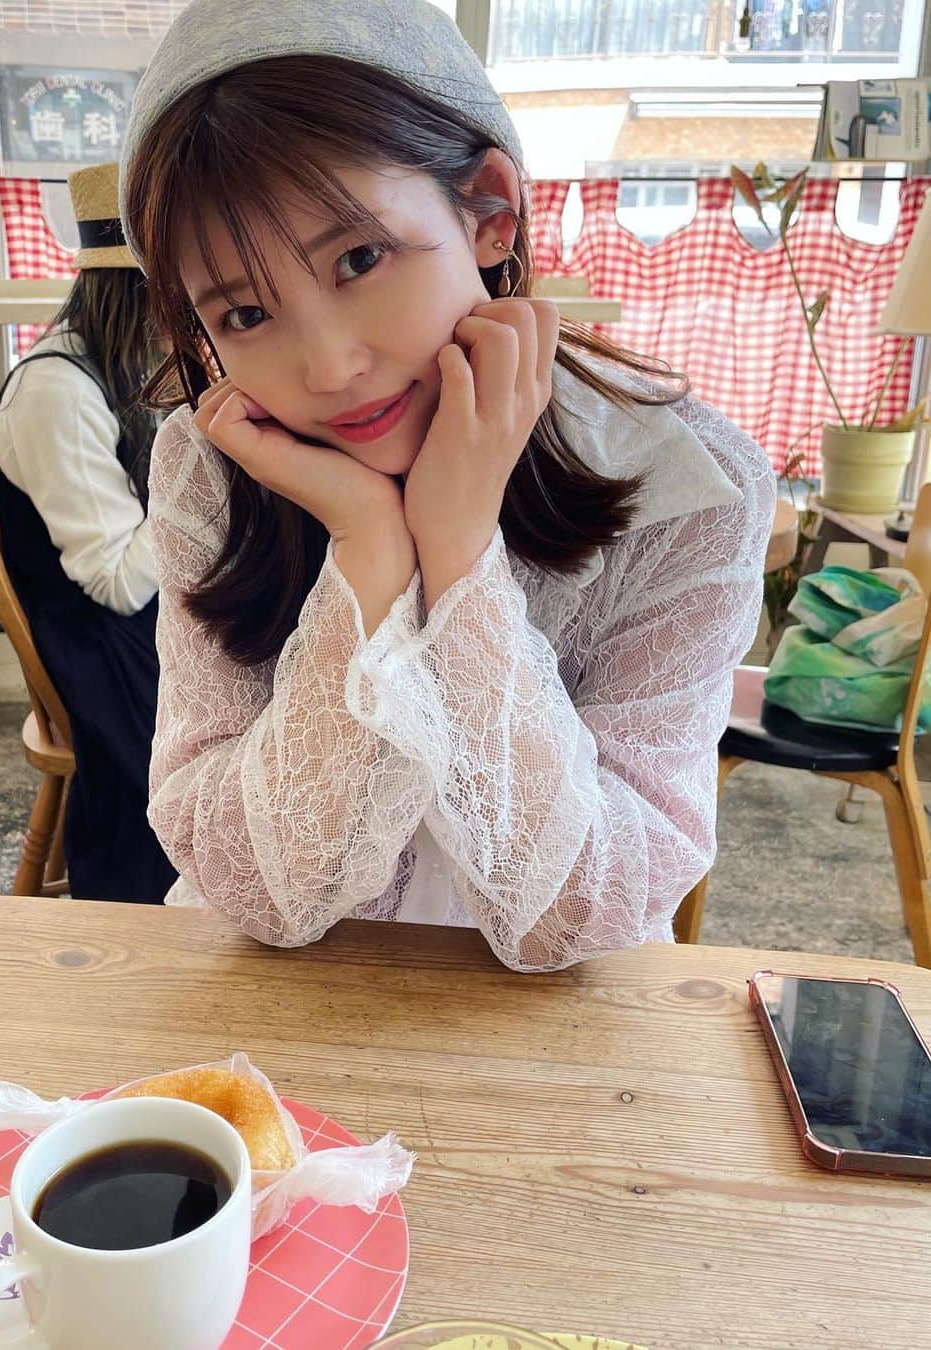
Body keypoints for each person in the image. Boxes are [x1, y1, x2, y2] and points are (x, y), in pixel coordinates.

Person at [118, 0, 775, 969]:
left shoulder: (688, 484)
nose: (331, 367)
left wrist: (460, 551)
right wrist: (371, 552)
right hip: (263, 1004)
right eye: (246, 314)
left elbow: (584, 916)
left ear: (490, 213)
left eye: (360, 258)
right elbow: (249, 889)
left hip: (552, 1030)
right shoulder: (212, 461)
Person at [0, 161, 176, 904]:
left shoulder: (122, 364)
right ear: (145, 291)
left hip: (124, 619)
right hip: (95, 637)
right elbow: (118, 583)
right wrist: (203, 472)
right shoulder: (57, 388)